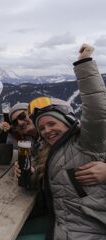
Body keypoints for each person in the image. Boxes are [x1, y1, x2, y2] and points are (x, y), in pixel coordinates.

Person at [18, 44, 106, 240]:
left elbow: (98, 109)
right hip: (62, 220)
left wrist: (84, 64)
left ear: (67, 122)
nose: (47, 130)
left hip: (90, 229)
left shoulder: (87, 141)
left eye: (52, 124)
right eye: (42, 128)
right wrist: (33, 176)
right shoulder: (49, 151)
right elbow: (58, 186)